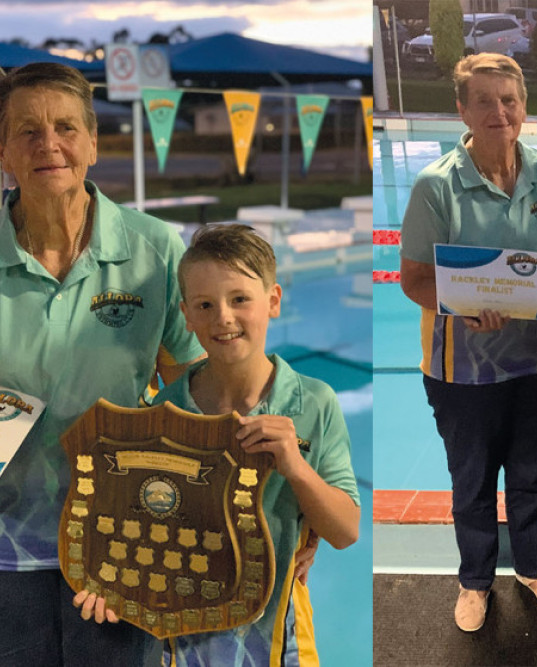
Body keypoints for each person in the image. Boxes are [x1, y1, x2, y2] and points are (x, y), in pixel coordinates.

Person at [0, 62, 204, 665]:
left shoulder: (154, 250)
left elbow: (191, 392)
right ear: (3, 150)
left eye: (65, 127)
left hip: (119, 543)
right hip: (6, 551)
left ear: (92, 142)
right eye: (26, 131)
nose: (49, 145)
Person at [399, 53, 537, 633]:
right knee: (472, 479)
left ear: (524, 107)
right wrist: (464, 303)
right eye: (484, 100)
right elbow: (413, 279)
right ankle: (475, 580)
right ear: (463, 109)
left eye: (508, 99)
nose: (498, 111)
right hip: (462, 368)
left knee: (532, 471)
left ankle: (531, 566)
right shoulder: (436, 186)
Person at [148, 224, 360, 665]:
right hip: (184, 637)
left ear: (274, 301)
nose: (223, 317)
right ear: (187, 316)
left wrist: (297, 470)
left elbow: (345, 531)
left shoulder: (314, 403)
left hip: (279, 638)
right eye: (205, 305)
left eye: (240, 299)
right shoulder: (168, 408)